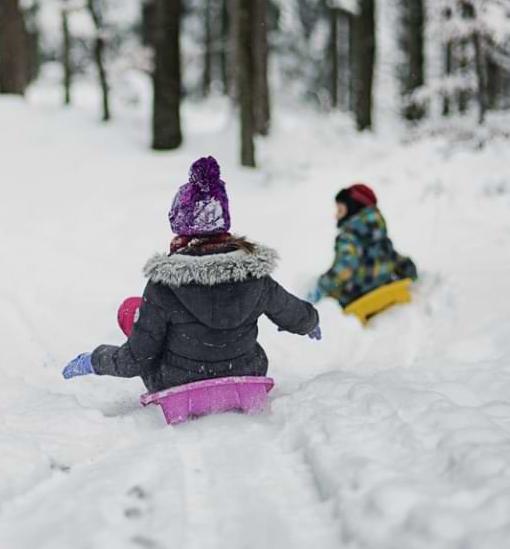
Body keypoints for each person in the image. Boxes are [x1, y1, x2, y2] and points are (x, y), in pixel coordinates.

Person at [61, 157, 321, 392]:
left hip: (177, 382)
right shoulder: (255, 275)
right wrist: (310, 322)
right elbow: (293, 312)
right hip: (245, 372)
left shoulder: (166, 283)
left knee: (132, 310)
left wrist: (95, 360)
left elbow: (136, 360)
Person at [306, 183, 418, 306]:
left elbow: (345, 266)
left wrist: (322, 286)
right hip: (385, 284)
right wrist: (408, 269)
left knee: (330, 296)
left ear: (353, 208)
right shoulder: (379, 233)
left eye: (340, 210)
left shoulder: (348, 236)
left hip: (356, 295)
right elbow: (391, 256)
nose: (336, 215)